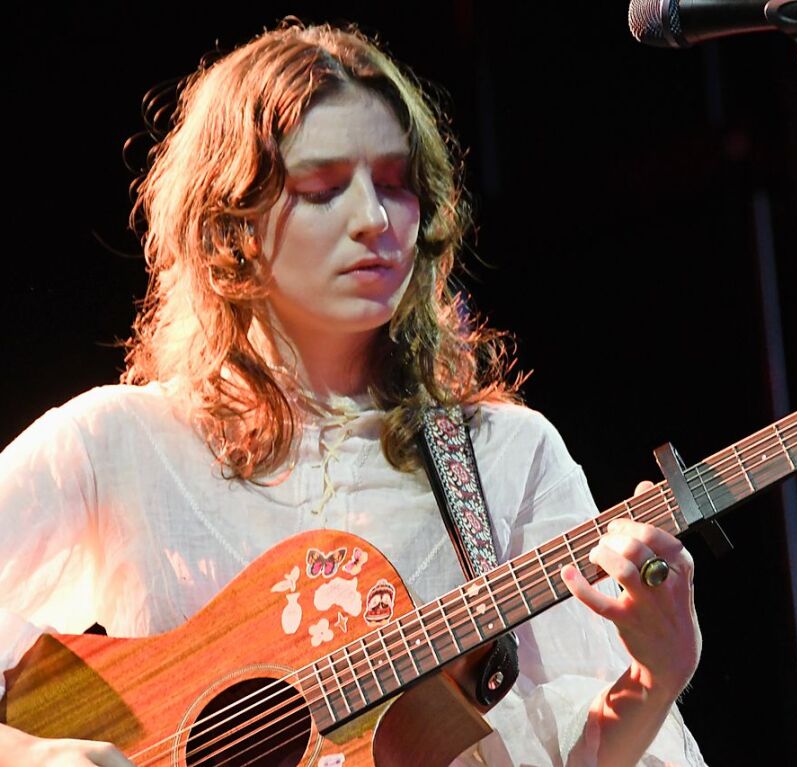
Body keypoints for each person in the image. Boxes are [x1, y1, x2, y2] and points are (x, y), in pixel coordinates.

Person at [0, 21, 706, 767]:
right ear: (230, 224)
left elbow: (581, 752)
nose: (373, 218)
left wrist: (653, 679)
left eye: (396, 183)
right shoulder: (113, 446)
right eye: (322, 188)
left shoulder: (503, 457)